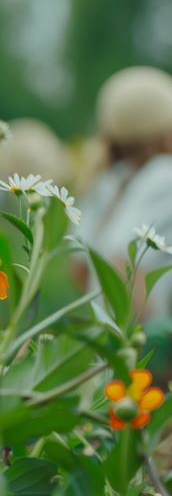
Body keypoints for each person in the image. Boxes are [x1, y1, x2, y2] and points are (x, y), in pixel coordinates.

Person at [75, 66, 172, 384]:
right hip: (145, 366)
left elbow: (80, 268)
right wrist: (152, 358)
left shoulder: (108, 182)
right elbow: (124, 262)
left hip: (106, 364)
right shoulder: (163, 176)